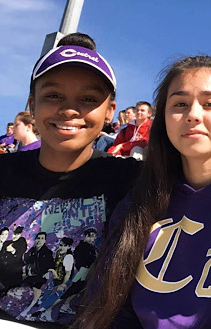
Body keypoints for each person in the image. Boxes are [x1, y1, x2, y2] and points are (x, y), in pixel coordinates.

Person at [77, 56, 211, 328]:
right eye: (180, 104)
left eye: (210, 104)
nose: (193, 114)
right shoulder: (140, 200)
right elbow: (111, 301)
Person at [0, 35, 140, 327]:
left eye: (88, 99)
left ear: (110, 112)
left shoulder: (130, 180)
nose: (70, 110)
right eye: (53, 95)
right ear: (32, 104)